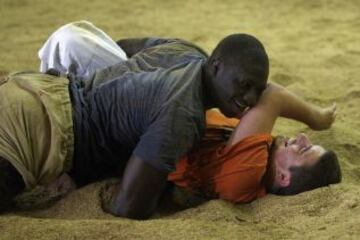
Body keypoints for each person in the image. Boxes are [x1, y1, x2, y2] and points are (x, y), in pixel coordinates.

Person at [0, 22, 269, 219]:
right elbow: (129, 206)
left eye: (259, 89)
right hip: (36, 127)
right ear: (217, 66)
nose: (252, 98)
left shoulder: (188, 51)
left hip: (35, 86)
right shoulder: (184, 114)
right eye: (245, 84)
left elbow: (125, 47)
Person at [166, 83, 341, 205]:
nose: (302, 136)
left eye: (303, 149)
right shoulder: (259, 155)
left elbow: (272, 95)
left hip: (158, 108)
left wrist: (317, 119)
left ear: (283, 177)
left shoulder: (251, 168)